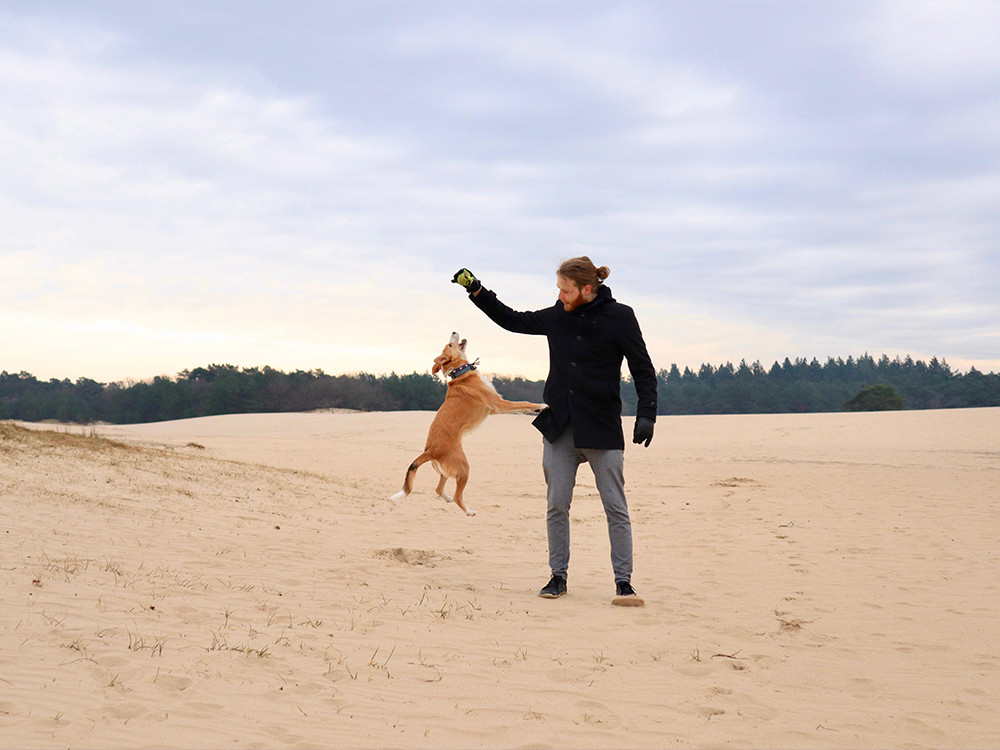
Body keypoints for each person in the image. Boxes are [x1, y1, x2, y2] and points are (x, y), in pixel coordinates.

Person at [452, 258, 657, 606]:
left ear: (586, 289)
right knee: (556, 505)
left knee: (615, 508)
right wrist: (477, 290)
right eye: (559, 289)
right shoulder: (558, 315)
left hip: (602, 428)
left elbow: (642, 367)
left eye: (565, 290)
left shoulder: (621, 317)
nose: (559, 295)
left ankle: (624, 584)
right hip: (559, 428)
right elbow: (513, 320)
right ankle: (557, 577)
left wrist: (647, 414)